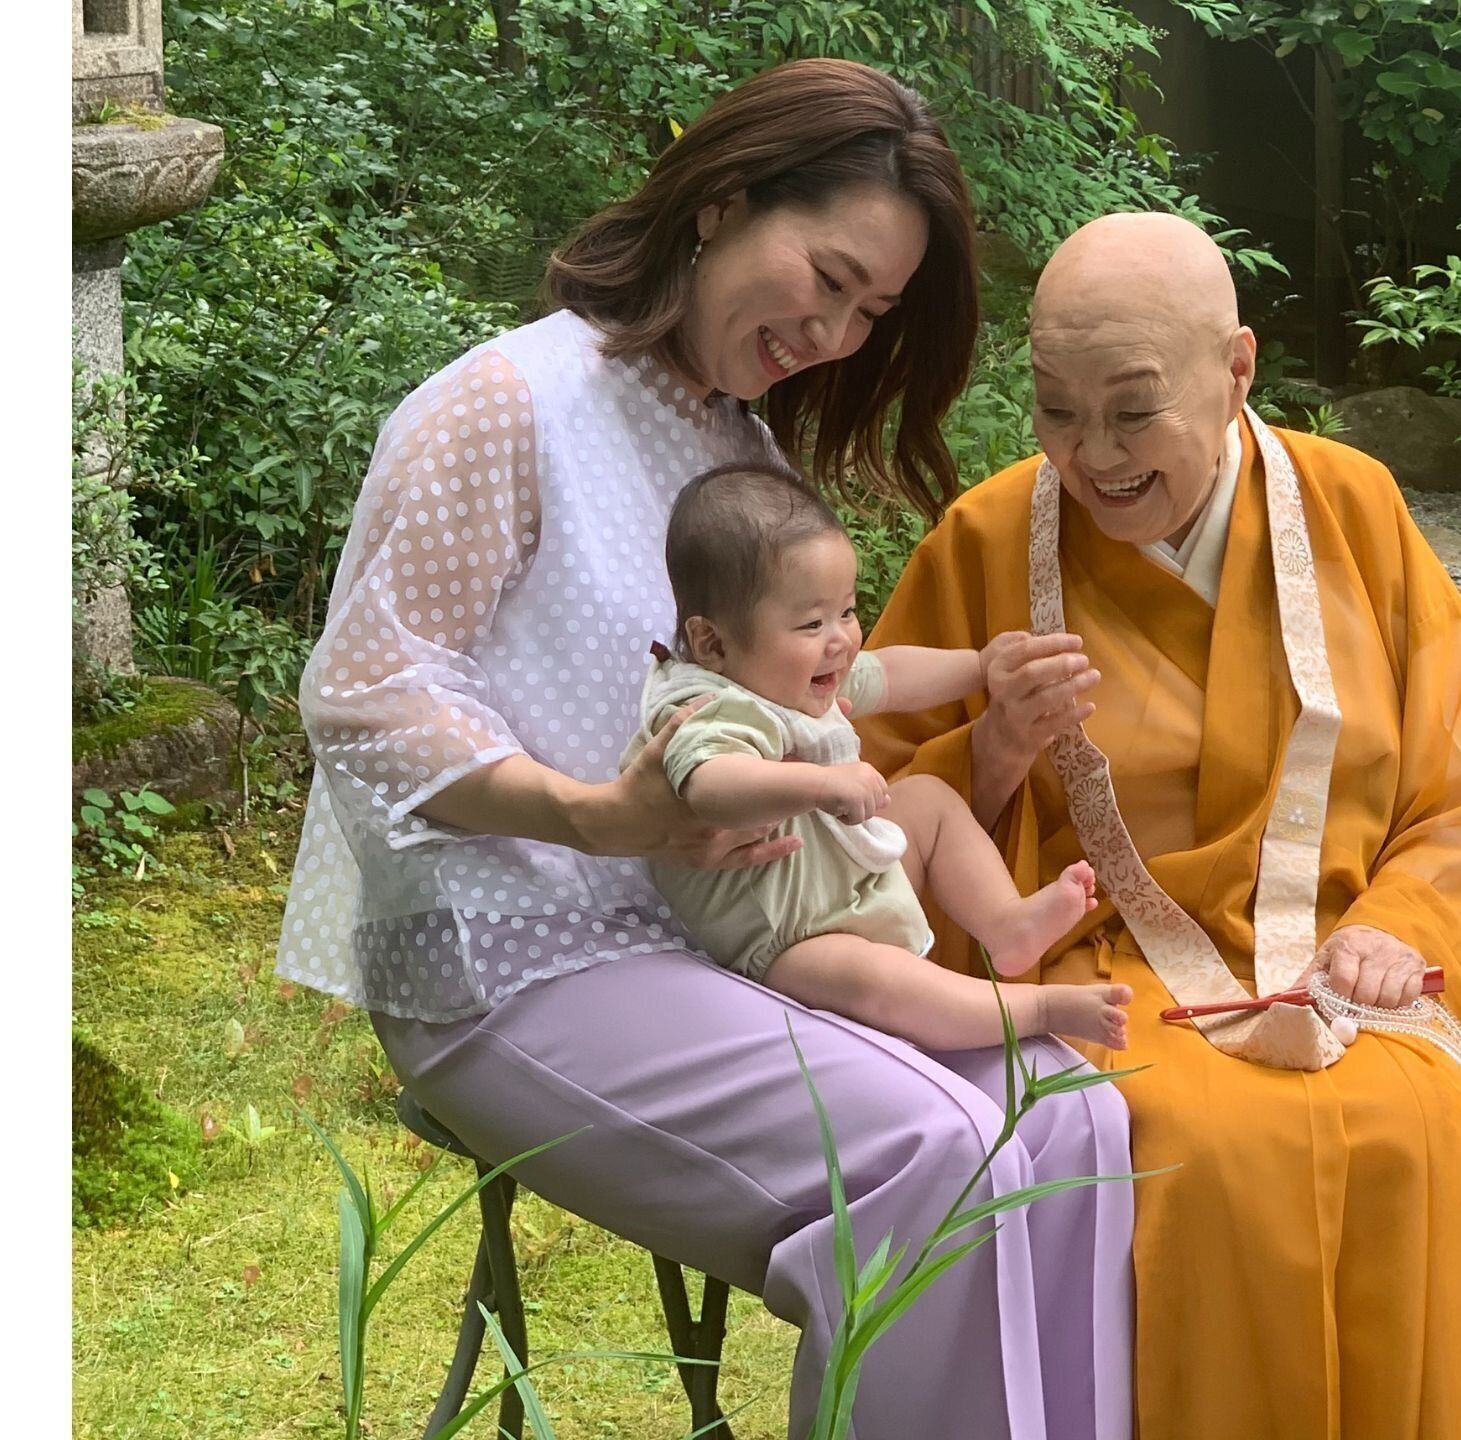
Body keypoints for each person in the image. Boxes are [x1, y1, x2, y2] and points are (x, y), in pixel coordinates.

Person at [275, 59, 1134, 1440]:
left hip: (724, 941)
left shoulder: (746, 460)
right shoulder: (506, 402)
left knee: (1071, 1114)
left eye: (872, 311)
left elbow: (818, 724)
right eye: (830, 277)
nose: (835, 333)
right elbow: (370, 690)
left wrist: (990, 725)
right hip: (514, 962)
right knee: (939, 1153)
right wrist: (595, 813)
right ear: (723, 201)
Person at [859, 211, 1461, 1439]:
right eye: (1056, 411)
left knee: (1417, 1129)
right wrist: (993, 750)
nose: (1092, 456)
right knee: (1195, 1146)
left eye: (1134, 411)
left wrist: (1400, 925)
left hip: (1350, 955)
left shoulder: (1354, 509)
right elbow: (871, 825)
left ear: (1236, 370)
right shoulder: (986, 540)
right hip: (1100, 967)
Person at [624, 461, 1128, 1051]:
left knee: (929, 800)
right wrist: (819, 785)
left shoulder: (797, 671)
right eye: (811, 622)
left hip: (850, 878)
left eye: (846, 611)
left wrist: (980, 667)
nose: (841, 637)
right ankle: (1036, 1008)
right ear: (712, 642)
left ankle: (1007, 924)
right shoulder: (708, 704)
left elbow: (888, 674)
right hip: (786, 941)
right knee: (877, 980)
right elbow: (709, 785)